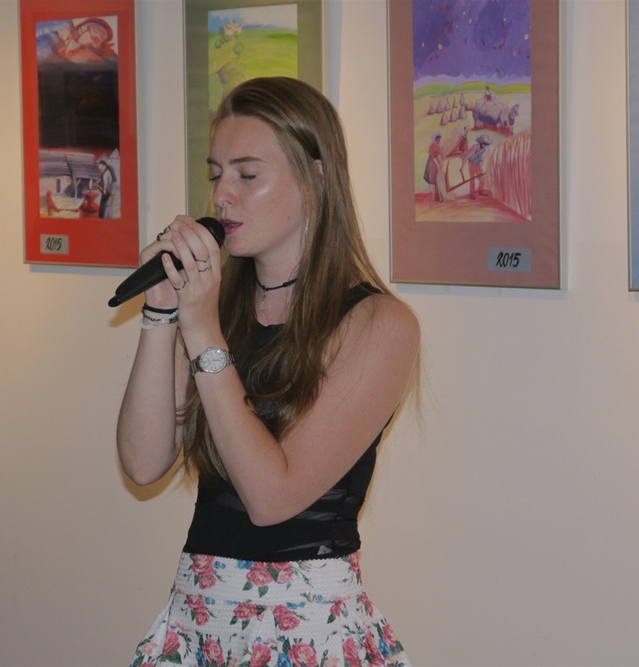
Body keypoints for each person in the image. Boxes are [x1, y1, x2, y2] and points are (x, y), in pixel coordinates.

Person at [117, 77, 420, 666]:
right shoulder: (218, 306)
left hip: (306, 629)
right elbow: (143, 462)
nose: (222, 195)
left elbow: (272, 497)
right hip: (200, 619)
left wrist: (203, 333)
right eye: (215, 174)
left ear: (316, 178)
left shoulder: (378, 324)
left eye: (247, 175)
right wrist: (161, 315)